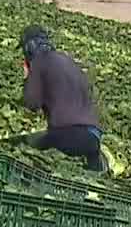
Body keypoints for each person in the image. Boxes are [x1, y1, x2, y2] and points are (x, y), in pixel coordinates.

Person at [18, 26, 105, 172]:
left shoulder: (39, 62)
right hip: (94, 137)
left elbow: (32, 103)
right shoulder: (68, 61)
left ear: (29, 48)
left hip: (69, 135)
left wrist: (27, 77)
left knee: (20, 145)